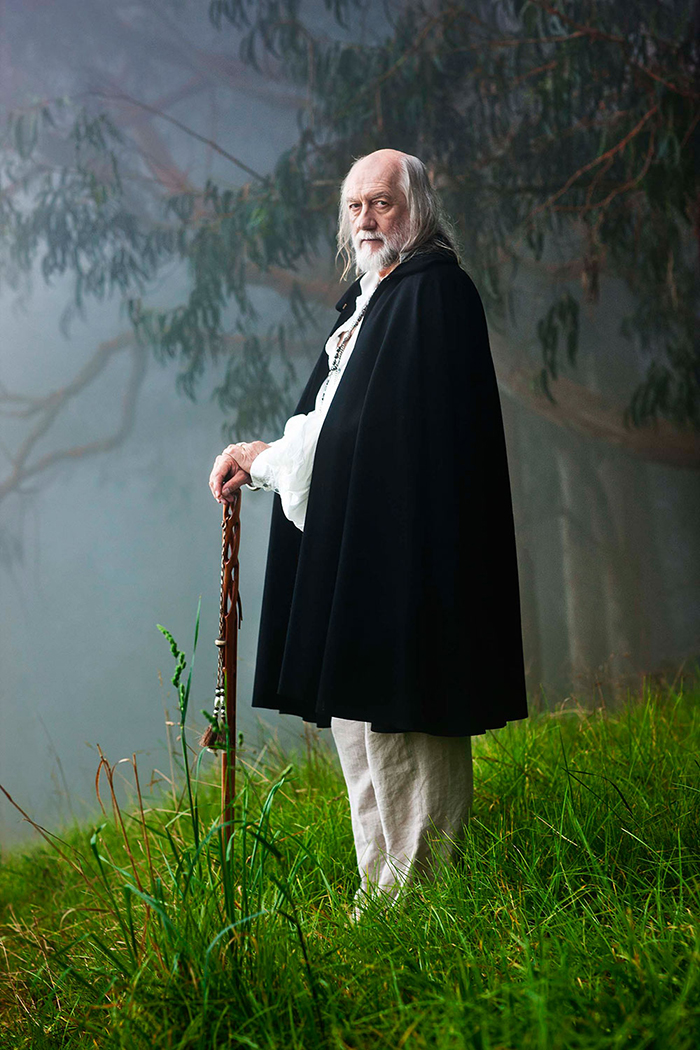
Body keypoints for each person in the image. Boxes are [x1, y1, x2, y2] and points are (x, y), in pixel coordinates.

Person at [209, 148, 528, 913]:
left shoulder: (433, 294)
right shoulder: (372, 303)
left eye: (382, 202)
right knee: (359, 725)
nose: (366, 219)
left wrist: (267, 461)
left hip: (408, 557)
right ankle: (381, 900)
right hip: (362, 551)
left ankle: (426, 905)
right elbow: (333, 424)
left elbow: (377, 436)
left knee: (405, 719)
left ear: (418, 208)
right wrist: (263, 457)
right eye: (354, 206)